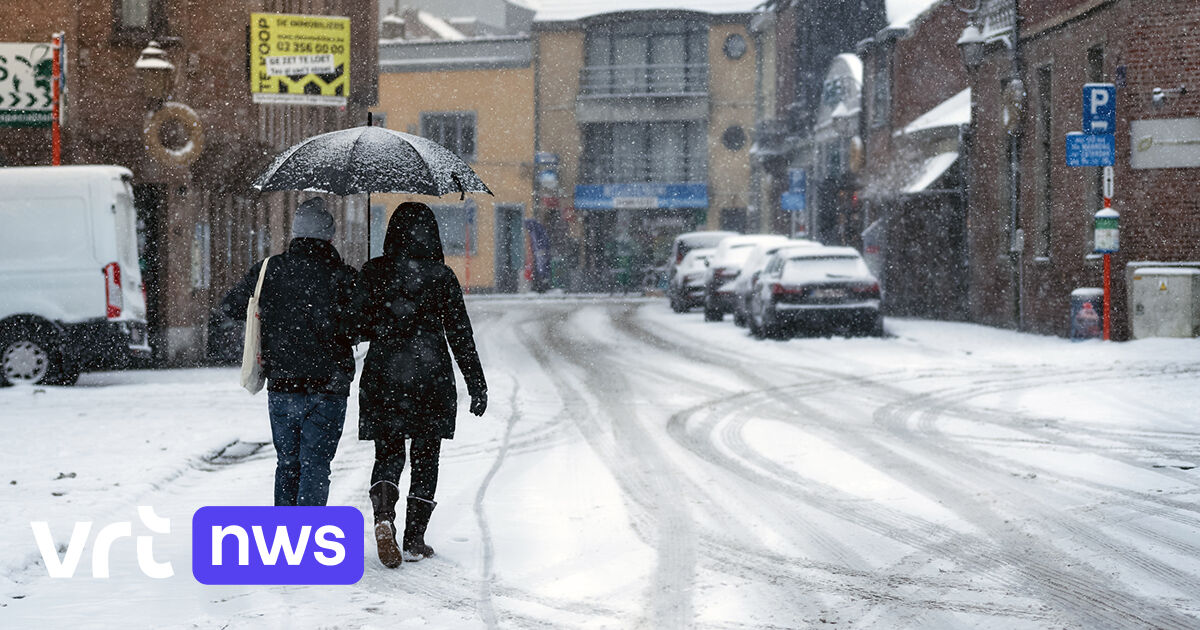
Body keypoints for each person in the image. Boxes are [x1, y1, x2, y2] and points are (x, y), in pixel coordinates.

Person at [358, 201, 487, 568]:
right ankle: (415, 538)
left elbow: (357, 325)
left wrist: (374, 299)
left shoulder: (374, 272)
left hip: (384, 375)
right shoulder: (441, 277)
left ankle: (384, 516)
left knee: (388, 453)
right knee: (426, 458)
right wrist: (476, 384)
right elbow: (460, 334)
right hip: (430, 376)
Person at [220, 197, 360, 507]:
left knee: (287, 464)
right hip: (329, 386)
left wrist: (272, 319)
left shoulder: (269, 270)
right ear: (330, 236)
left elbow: (229, 306)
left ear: (295, 234)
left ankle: (285, 541)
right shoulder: (343, 276)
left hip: (283, 385)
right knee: (316, 467)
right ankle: (307, 541)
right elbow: (361, 326)